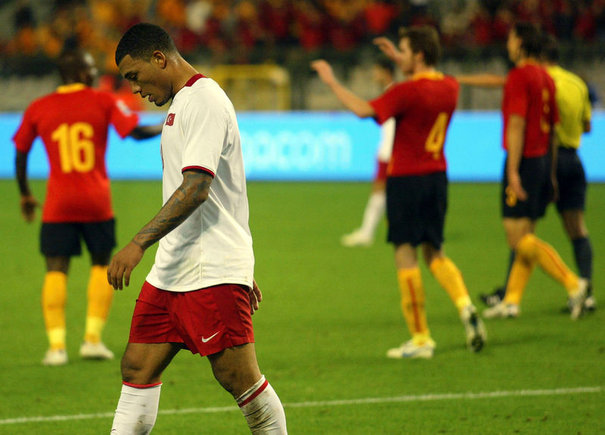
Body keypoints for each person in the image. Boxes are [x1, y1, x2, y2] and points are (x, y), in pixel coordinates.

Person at [107, 23, 287, 434]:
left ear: (159, 58)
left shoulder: (204, 99)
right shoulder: (182, 103)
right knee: (137, 366)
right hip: (173, 269)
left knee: (238, 377)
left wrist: (138, 243)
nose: (134, 89)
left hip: (209, 269)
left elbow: (197, 188)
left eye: (135, 76)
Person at [312, 25, 487, 359]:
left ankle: (421, 339)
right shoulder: (449, 86)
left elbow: (363, 110)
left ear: (418, 56)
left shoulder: (406, 91)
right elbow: (427, 78)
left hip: (406, 180)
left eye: (403, 52)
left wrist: (332, 81)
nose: (398, 57)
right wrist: (400, 58)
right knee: (435, 253)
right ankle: (465, 306)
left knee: (406, 255)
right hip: (437, 177)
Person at [13, 48, 162, 367]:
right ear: (81, 73)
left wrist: (25, 193)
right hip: (96, 201)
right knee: (100, 265)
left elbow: (21, 151)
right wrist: (168, 123)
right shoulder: (103, 101)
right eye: (92, 69)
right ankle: (92, 340)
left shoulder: (39, 107)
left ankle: (56, 347)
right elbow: (136, 133)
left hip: (58, 203)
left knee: (56, 269)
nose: (96, 74)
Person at [458, 31, 595, 315]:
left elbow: (517, 124)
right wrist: (550, 174)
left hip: (524, 161)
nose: (507, 44)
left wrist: (512, 170)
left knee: (518, 239)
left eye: (510, 39)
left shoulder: (520, 76)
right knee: (532, 233)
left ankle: (573, 283)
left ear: (520, 44)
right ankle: (511, 301)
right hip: (548, 159)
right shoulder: (548, 79)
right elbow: (555, 130)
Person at [341, 56, 395, 247]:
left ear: (385, 72)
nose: (374, 74)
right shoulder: (390, 93)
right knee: (384, 193)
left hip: (391, 152)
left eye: (376, 70)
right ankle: (369, 231)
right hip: (388, 150)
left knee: (381, 192)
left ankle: (367, 232)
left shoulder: (393, 93)